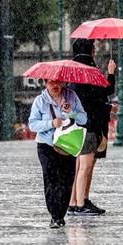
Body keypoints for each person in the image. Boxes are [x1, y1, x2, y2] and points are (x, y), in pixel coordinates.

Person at [28, 79, 88, 229]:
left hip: (67, 145)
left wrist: (71, 112)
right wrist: (51, 123)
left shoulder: (71, 96)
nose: (55, 86)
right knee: (51, 180)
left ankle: (61, 212)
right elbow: (32, 124)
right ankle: (55, 216)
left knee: (67, 180)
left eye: (58, 82)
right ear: (45, 84)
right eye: (51, 83)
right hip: (46, 145)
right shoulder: (40, 101)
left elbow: (84, 118)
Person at [68, 38, 116, 217]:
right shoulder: (88, 70)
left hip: (77, 125)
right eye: (93, 47)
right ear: (90, 50)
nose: (95, 49)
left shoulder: (73, 70)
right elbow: (105, 91)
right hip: (89, 125)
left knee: (79, 165)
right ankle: (81, 204)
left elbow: (86, 97)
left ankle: (75, 201)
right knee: (86, 166)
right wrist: (111, 73)